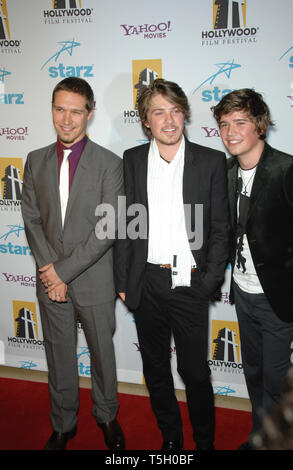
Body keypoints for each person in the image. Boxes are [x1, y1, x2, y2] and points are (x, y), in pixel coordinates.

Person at [115, 78, 230, 450]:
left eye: (175, 111)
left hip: (190, 283)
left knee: (195, 373)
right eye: (158, 112)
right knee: (156, 370)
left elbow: (219, 229)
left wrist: (209, 282)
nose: (169, 120)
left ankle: (205, 442)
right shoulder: (131, 160)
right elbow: (125, 223)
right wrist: (123, 278)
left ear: (185, 115)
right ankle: (171, 439)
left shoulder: (211, 161)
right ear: (146, 120)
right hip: (146, 281)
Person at [21, 77, 125, 450]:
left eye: (76, 111)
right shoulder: (34, 160)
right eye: (60, 109)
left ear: (90, 113)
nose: (67, 119)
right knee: (58, 353)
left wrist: (62, 271)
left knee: (102, 355)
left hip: (94, 279)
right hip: (50, 280)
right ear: (52, 109)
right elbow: (31, 218)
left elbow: (108, 227)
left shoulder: (111, 164)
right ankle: (63, 424)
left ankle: (107, 416)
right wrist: (51, 270)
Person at [212, 88, 293, 450]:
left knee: (279, 382)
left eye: (240, 122)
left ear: (260, 125)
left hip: (280, 301)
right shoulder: (227, 171)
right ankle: (260, 435)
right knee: (254, 374)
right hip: (244, 296)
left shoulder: (288, 170)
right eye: (224, 124)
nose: (231, 131)